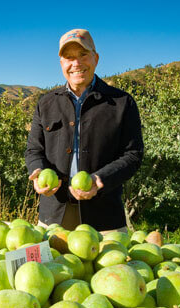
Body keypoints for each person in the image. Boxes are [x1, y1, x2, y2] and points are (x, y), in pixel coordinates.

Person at [25, 28, 144, 233]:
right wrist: (36, 171)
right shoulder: (45, 104)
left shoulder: (122, 103)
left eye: (83, 55)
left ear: (96, 58)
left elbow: (133, 155)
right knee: (49, 265)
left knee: (112, 265)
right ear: (61, 63)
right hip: (53, 217)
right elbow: (34, 150)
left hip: (105, 219)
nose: (76, 64)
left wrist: (100, 180)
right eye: (69, 58)